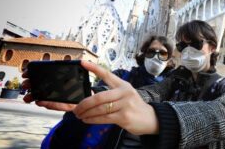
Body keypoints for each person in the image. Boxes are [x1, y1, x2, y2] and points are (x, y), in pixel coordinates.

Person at [23, 20, 225, 148]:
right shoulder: (173, 83)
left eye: (195, 44)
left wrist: (159, 119)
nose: (187, 51)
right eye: (181, 45)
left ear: (213, 47)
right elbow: (146, 94)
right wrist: (92, 94)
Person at [37, 35, 175, 148]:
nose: (156, 57)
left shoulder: (171, 92)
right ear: (144, 54)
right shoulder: (121, 76)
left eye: (163, 53)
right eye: (151, 52)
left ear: (169, 60)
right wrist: (82, 94)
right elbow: (100, 91)